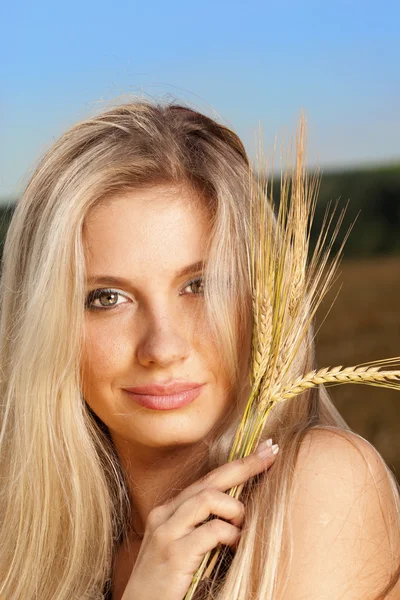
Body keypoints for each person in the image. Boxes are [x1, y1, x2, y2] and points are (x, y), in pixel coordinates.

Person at [0, 98, 399, 600]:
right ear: (47, 328)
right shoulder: (30, 548)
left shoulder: (324, 485)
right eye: (107, 298)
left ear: (260, 298)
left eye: (201, 285)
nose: (162, 348)